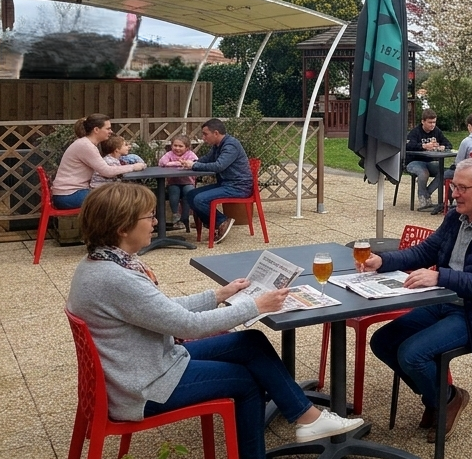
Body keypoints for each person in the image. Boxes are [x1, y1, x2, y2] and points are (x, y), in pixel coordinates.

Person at [65, 182, 363, 459]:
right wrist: (253, 305)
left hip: (142, 366)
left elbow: (159, 308)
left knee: (250, 342)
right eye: (149, 217)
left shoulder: (100, 263)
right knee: (247, 382)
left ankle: (305, 417)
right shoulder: (117, 279)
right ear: (122, 228)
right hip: (145, 386)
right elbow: (188, 326)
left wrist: (219, 295)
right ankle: (280, 436)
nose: (155, 222)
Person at [363, 157, 472, 441]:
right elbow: (424, 252)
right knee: (383, 341)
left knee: (412, 354)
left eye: (462, 188)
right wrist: (382, 261)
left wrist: (441, 278)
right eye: (453, 186)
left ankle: (444, 400)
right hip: (446, 303)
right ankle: (444, 397)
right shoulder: (455, 217)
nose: (453, 193)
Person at [180, 118, 252, 245]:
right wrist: (192, 163)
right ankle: (214, 223)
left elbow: (219, 166)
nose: (203, 137)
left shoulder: (231, 145)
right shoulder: (217, 146)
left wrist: (194, 166)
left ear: (216, 133)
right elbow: (207, 159)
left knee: (199, 199)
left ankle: (222, 221)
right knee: (191, 195)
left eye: (205, 134)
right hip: (226, 184)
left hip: (238, 187)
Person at [50, 114, 147, 208]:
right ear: (96, 130)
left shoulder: (85, 144)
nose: (111, 131)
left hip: (70, 193)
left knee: (118, 196)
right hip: (69, 196)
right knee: (119, 199)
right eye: (108, 128)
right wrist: (134, 167)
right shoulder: (86, 146)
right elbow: (107, 171)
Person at [405, 109, 451, 209]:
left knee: (444, 172)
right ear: (423, 121)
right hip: (414, 161)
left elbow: (448, 144)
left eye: (434, 122)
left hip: (431, 161)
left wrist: (443, 146)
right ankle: (423, 199)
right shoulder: (415, 132)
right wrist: (424, 146)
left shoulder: (437, 131)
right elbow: (408, 146)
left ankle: (426, 194)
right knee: (423, 173)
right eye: (430, 122)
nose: (432, 125)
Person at [159, 135, 198, 230]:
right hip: (174, 181)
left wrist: (170, 164)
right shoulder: (169, 154)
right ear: (171, 146)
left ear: (187, 147)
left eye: (180, 146)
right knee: (174, 193)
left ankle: (185, 217)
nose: (177, 148)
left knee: (189, 192)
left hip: (188, 181)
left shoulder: (190, 154)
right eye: (175, 145)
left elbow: (195, 162)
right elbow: (162, 162)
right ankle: (175, 215)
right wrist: (179, 163)